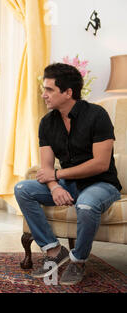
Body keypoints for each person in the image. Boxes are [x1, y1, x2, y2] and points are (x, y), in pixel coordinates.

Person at [14, 63, 122, 285]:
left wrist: (58, 174)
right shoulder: (47, 122)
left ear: (68, 92)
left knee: (86, 205)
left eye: (49, 90)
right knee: (23, 189)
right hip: (67, 184)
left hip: (101, 184)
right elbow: (46, 169)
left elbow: (100, 164)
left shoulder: (96, 115)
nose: (44, 95)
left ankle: (78, 261)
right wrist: (55, 186)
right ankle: (54, 251)